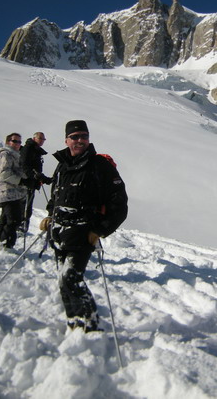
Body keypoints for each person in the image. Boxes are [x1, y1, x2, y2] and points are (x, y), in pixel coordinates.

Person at [40, 120, 128, 333]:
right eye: (75, 136)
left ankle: (89, 324)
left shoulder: (100, 166)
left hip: (83, 232)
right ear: (67, 140)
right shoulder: (62, 164)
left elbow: (119, 203)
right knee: (63, 280)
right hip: (60, 231)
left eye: (84, 136)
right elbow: (57, 195)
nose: (80, 141)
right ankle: (74, 322)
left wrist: (100, 230)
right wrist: (50, 215)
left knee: (71, 278)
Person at [0, 132, 30, 250]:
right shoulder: (6, 155)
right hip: (7, 191)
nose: (18, 144)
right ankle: (6, 244)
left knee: (5, 218)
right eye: (15, 141)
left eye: (19, 142)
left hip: (12, 192)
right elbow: (4, 173)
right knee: (14, 219)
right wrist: (22, 181)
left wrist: (28, 179)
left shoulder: (14, 155)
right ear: (8, 142)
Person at [20, 132, 52, 231]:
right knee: (25, 205)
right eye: (40, 138)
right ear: (34, 138)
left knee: (27, 205)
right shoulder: (29, 149)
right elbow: (24, 166)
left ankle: (23, 226)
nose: (42, 141)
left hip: (31, 182)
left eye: (43, 139)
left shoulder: (34, 149)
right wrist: (35, 176)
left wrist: (40, 178)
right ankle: (21, 226)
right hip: (26, 182)